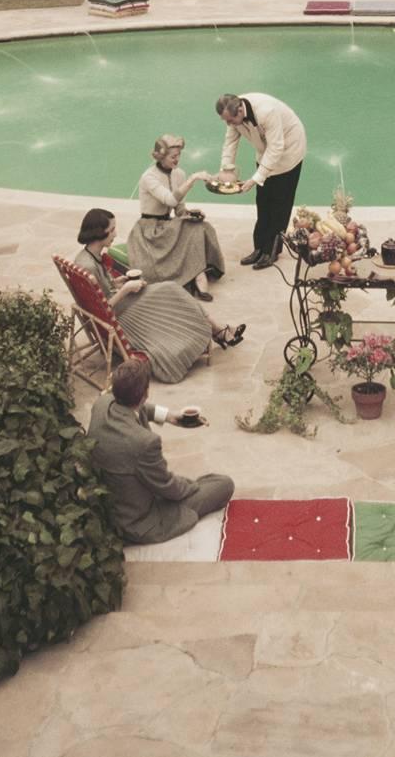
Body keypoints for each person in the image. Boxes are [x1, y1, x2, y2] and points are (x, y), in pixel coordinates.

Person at [77, 209, 244, 383]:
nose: (115, 233)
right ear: (98, 232)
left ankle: (218, 330)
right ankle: (218, 331)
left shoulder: (87, 257)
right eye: (111, 230)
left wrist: (120, 282)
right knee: (171, 290)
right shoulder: (88, 267)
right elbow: (103, 309)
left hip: (122, 305)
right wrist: (126, 289)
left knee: (170, 292)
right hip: (121, 315)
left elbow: (102, 291)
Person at [86, 357, 234, 545]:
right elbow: (168, 487)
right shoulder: (145, 443)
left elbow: (138, 409)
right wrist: (190, 487)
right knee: (222, 484)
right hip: (139, 522)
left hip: (114, 505)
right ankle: (196, 489)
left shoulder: (102, 405)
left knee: (193, 483)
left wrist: (170, 417)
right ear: (145, 394)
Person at [129, 134, 227, 299]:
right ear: (161, 156)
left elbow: (179, 209)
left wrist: (190, 214)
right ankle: (197, 275)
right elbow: (170, 199)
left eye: (179, 155)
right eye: (173, 156)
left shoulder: (178, 174)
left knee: (202, 227)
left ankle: (198, 272)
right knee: (192, 231)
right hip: (150, 230)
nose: (177, 160)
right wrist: (193, 179)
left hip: (168, 225)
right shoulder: (149, 177)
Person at [216, 91, 307, 267]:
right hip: (266, 151)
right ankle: (259, 248)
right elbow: (230, 143)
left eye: (230, 120)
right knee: (263, 201)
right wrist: (226, 170)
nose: (228, 124)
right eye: (225, 121)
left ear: (240, 112)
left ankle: (271, 252)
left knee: (280, 204)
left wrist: (256, 178)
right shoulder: (232, 114)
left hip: (288, 150)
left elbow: (276, 147)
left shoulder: (267, 111)